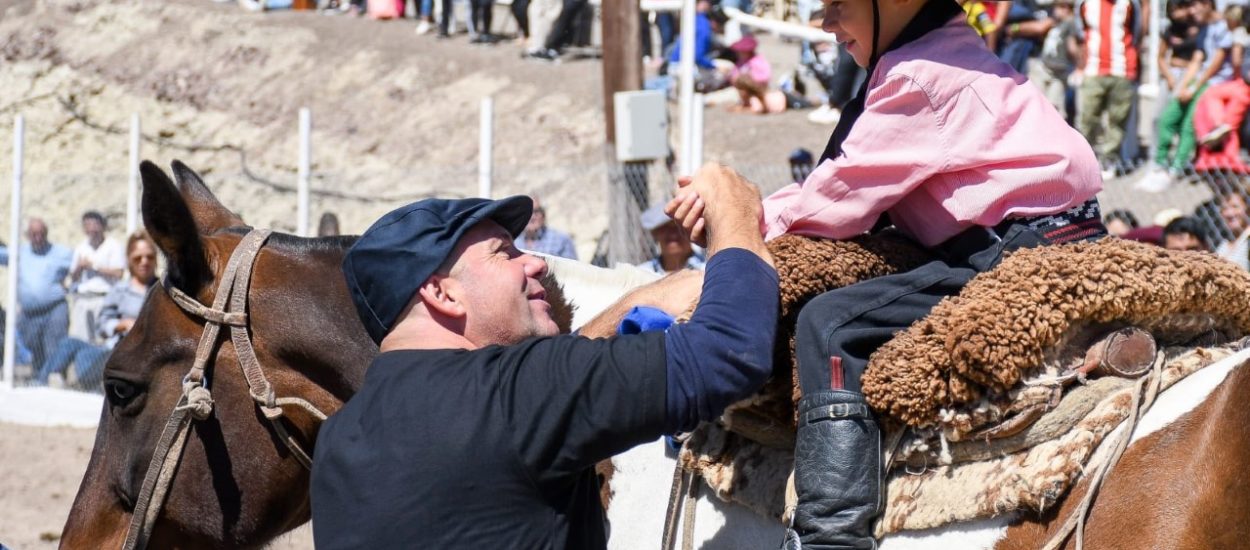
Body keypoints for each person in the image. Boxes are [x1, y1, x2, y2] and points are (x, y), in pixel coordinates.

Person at [666, 0, 1103, 544]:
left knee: (829, 325)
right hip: (1050, 236)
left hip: (1013, 251)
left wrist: (737, 217)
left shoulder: (917, 77)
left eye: (839, 6)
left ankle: (831, 532)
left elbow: (838, 203)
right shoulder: (943, 50)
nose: (825, 23)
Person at [310, 166, 778, 548]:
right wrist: (734, 213)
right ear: (440, 293)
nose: (534, 262)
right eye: (504, 252)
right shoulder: (513, 392)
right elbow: (726, 353)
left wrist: (629, 308)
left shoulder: (336, 441)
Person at [37, 231, 157, 388]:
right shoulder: (119, 290)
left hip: (138, 355)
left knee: (87, 368)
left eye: (149, 257)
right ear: (129, 260)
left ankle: (78, 383)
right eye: (138, 258)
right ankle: (41, 382)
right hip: (112, 348)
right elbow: (102, 325)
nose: (144, 262)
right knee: (70, 343)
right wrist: (122, 325)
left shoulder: (162, 292)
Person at [1140, 0, 1233, 192]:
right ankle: (1159, 165)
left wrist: (1194, 87)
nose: (1191, 11)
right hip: (1196, 81)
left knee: (1188, 126)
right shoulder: (1205, 27)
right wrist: (1184, 87)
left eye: (1194, 6)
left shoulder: (1223, 26)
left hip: (1214, 84)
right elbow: (1197, 61)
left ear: (1207, 4)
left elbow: (1216, 62)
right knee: (1166, 119)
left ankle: (1175, 169)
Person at [1075, 0, 1147, 177]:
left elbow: (1137, 32)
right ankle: (1084, 161)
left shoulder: (1130, 4)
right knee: (1087, 118)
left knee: (1117, 120)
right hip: (1093, 68)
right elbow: (1080, 34)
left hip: (1122, 68)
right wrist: (1081, 65)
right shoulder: (1085, 4)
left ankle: (1109, 160)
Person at [0, 219, 73, 378]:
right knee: (31, 346)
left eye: (41, 234)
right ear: (27, 236)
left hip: (54, 309)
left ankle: (53, 379)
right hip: (28, 313)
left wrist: (71, 285)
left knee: (53, 347)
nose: (38, 238)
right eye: (34, 234)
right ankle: (38, 379)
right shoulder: (19, 253)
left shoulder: (61, 253)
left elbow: (78, 267)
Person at [1193, 5, 1250, 171]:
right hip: (1241, 85)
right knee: (1213, 97)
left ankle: (1223, 127)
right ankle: (1222, 126)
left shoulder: (1239, 36)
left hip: (1241, 85)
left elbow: (1237, 61)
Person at [68, 211, 125, 345]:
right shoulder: (81, 248)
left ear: (102, 226)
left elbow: (119, 273)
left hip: (103, 299)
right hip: (83, 299)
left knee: (102, 341)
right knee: (80, 341)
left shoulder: (113, 246)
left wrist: (94, 267)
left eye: (95, 224)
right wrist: (79, 267)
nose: (92, 228)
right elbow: (73, 278)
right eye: (87, 225)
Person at [636, 203, 707, 274]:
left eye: (678, 226)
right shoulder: (642, 273)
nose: (673, 234)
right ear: (655, 233)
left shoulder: (707, 270)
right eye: (665, 228)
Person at [728, 35, 777, 114]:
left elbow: (765, 76)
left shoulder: (758, 61)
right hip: (743, 87)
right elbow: (733, 74)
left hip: (756, 89)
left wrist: (749, 79)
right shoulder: (740, 62)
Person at [1214, 190, 1250, 267]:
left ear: (1248, 209)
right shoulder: (1223, 244)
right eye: (1224, 209)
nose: (1229, 213)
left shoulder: (1248, 238)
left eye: (1235, 207)